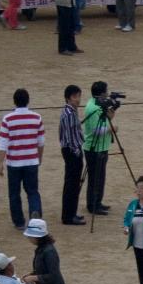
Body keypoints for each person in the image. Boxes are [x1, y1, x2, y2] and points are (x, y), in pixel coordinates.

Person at [0, 88, 44, 230]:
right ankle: (35, 215)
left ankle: (19, 221)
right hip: (31, 161)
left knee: (14, 193)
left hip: (14, 163)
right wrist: (39, 158)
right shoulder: (37, 118)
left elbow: (3, 144)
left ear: (14, 101)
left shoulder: (7, 119)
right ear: (28, 101)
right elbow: (41, 142)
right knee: (32, 191)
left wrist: (0, 163)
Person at [81, 81, 116, 216]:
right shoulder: (93, 108)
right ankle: (93, 205)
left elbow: (103, 119)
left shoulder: (96, 104)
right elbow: (96, 130)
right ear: (102, 93)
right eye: (106, 92)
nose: (107, 94)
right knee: (95, 178)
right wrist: (111, 129)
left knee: (100, 177)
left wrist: (110, 115)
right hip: (95, 148)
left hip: (100, 146)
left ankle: (98, 202)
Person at [57, 85, 86, 226]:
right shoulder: (69, 114)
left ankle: (71, 213)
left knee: (73, 183)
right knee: (71, 184)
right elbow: (69, 138)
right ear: (68, 98)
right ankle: (68, 216)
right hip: (72, 151)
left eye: (79, 96)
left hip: (72, 150)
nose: (78, 99)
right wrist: (77, 151)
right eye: (75, 96)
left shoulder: (71, 111)